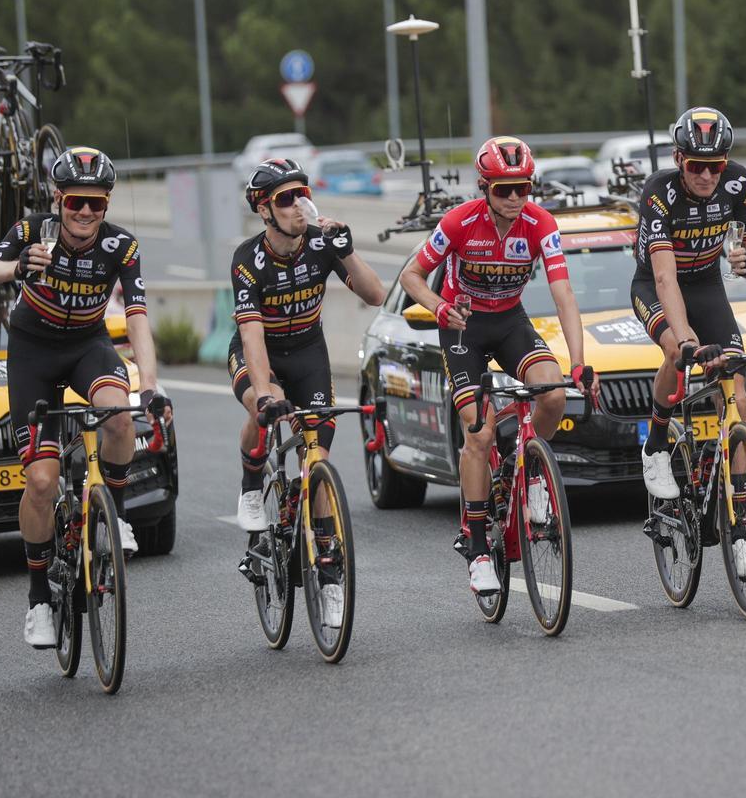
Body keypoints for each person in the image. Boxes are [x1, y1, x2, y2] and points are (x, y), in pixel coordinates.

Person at [0, 146, 171, 648]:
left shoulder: (121, 246)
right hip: (33, 353)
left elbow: (140, 317)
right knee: (41, 481)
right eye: (76, 202)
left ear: (107, 205)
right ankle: (39, 597)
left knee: (119, 417)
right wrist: (17, 267)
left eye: (97, 204)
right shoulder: (32, 233)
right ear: (58, 199)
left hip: (88, 345)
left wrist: (148, 384)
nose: (85, 212)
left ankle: (117, 518)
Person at [398, 136, 598, 596]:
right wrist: (437, 306)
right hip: (463, 326)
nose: (513, 198)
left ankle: (529, 473)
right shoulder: (459, 222)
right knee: (480, 431)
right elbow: (411, 274)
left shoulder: (540, 223)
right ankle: (476, 544)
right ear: (484, 188)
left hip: (509, 321)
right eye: (503, 190)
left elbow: (563, 294)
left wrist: (580, 361)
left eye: (522, 188)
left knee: (552, 392)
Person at [230, 158, 385, 626]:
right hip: (261, 353)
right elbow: (253, 337)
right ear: (263, 210)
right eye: (285, 198)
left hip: (309, 354)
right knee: (263, 405)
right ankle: (252, 483)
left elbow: (375, 295)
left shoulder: (321, 243)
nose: (299, 205)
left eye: (303, 193)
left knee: (316, 459)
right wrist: (265, 395)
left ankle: (330, 574)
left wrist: (348, 251)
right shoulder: (247, 259)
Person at [630, 106, 746, 578]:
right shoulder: (659, 193)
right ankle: (657, 442)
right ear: (678, 159)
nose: (708, 174)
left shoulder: (739, 183)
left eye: (717, 164)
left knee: (738, 395)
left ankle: (742, 528)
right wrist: (688, 341)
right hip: (656, 286)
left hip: (707, 284)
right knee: (674, 350)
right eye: (696, 165)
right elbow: (665, 278)